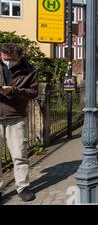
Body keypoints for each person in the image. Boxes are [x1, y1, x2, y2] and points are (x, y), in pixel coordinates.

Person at [0, 43, 38, 202]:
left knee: (19, 154)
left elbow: (33, 92)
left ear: (19, 57)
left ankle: (23, 187)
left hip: (16, 116)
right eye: (4, 58)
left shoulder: (29, 70)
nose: (8, 61)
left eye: (11, 59)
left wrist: (13, 91)